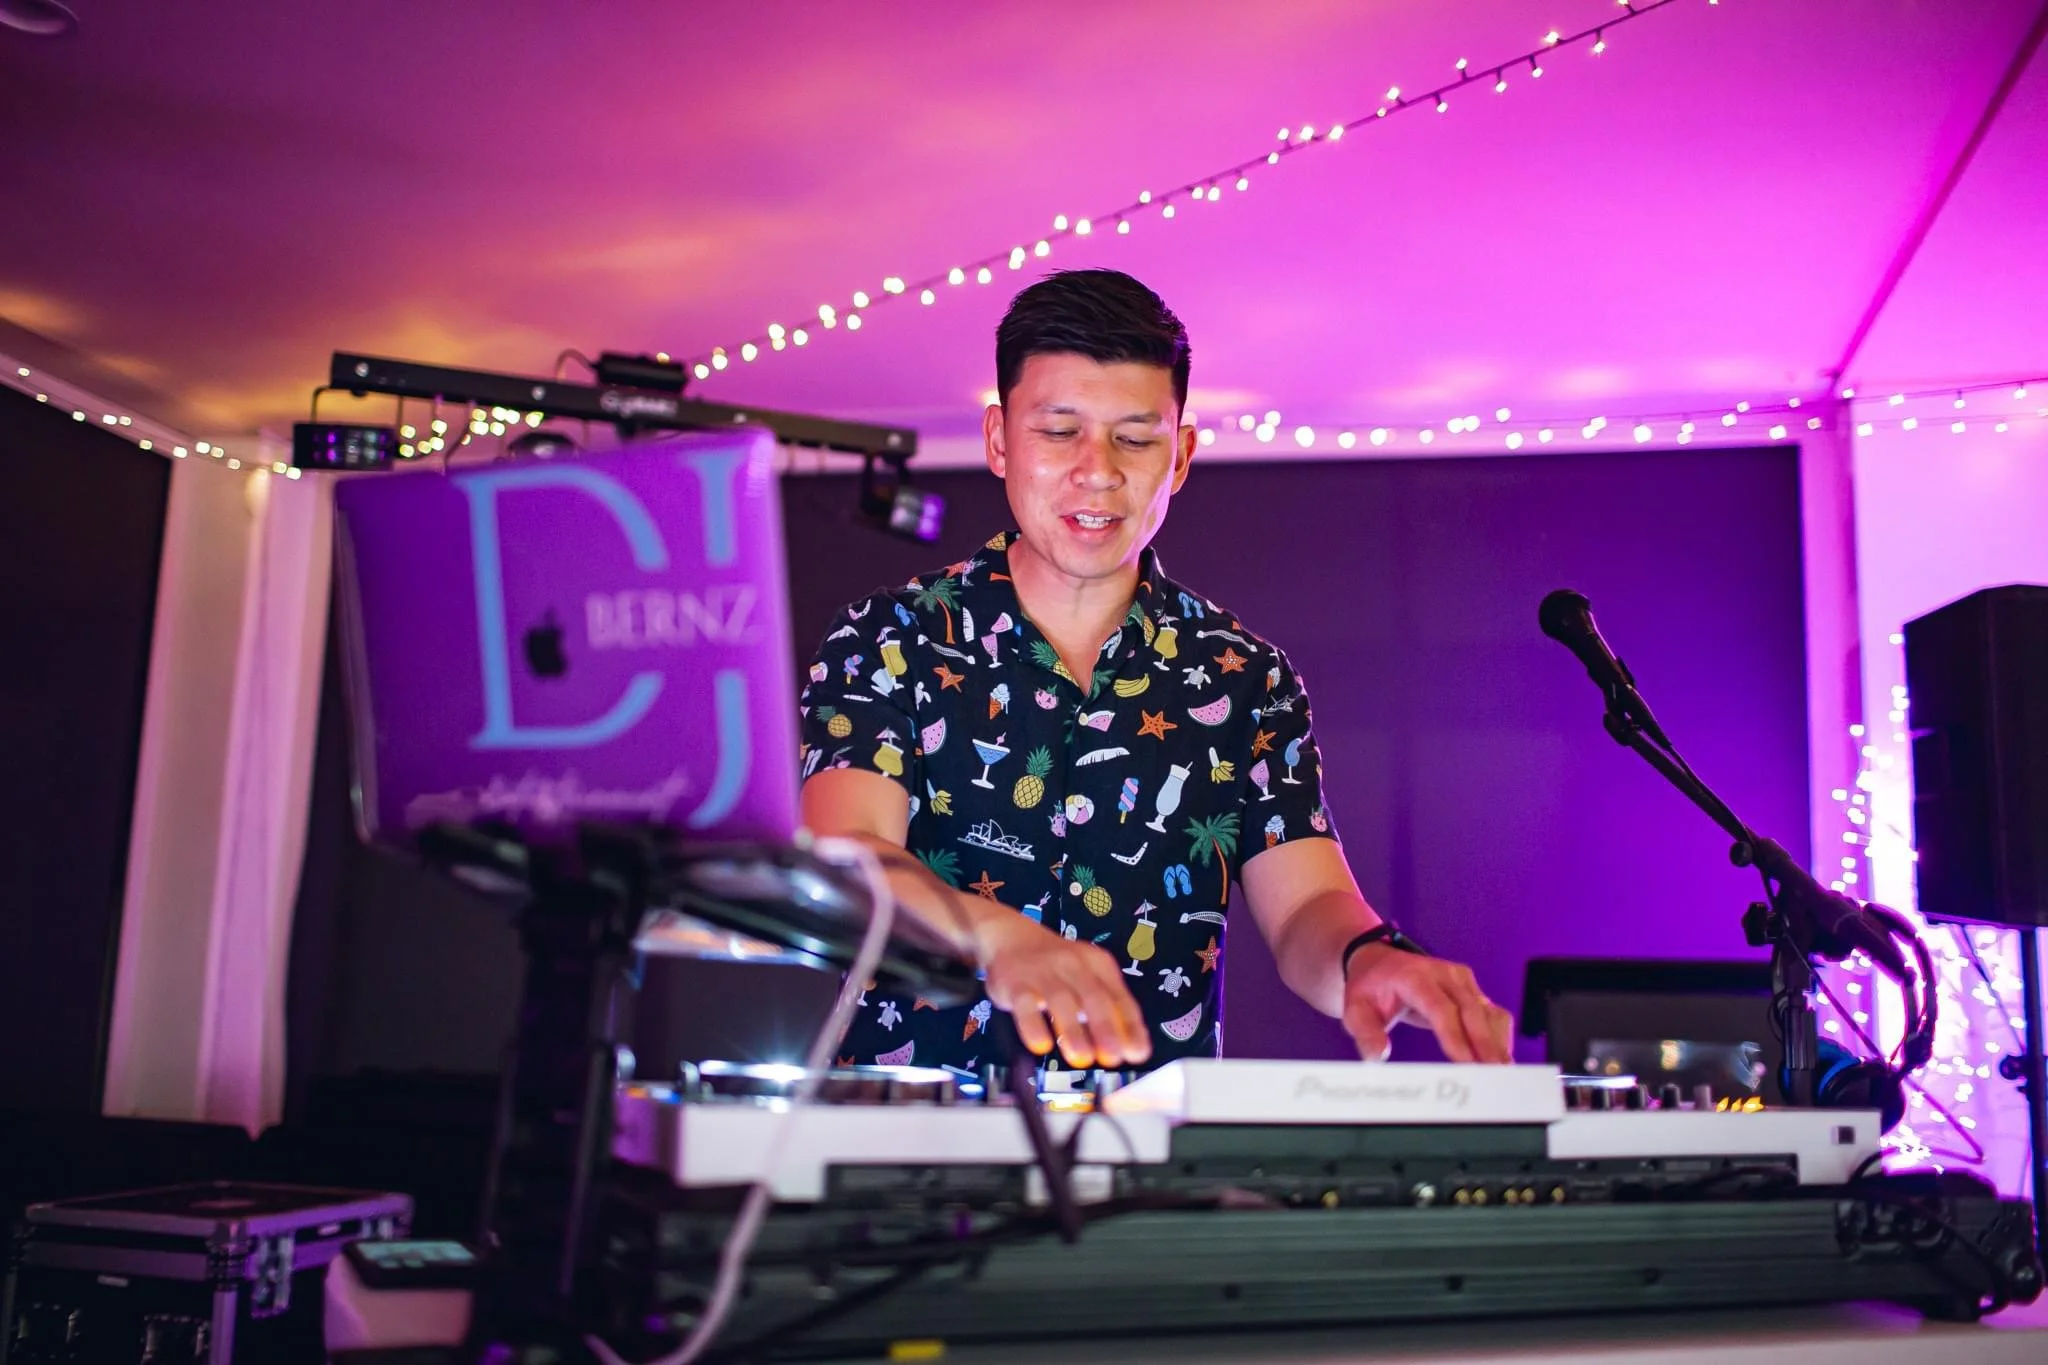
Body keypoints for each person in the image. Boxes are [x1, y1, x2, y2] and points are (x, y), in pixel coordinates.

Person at [798, 269, 1513, 1075]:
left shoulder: (1244, 679)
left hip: (1148, 1137)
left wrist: (1369, 959)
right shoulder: (888, 638)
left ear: (1181, 456)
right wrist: (999, 938)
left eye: (1135, 439)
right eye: (1059, 431)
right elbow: (847, 857)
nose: (1098, 471)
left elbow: (1308, 905)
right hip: (905, 1130)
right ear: (999, 440)